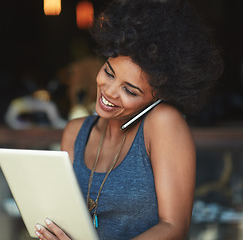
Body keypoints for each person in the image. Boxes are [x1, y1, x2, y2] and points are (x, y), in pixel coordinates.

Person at [35, 0, 224, 239]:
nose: (109, 91)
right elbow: (63, 217)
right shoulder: (75, 133)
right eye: (108, 72)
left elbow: (174, 227)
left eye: (130, 90)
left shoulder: (163, 123)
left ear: (159, 96)